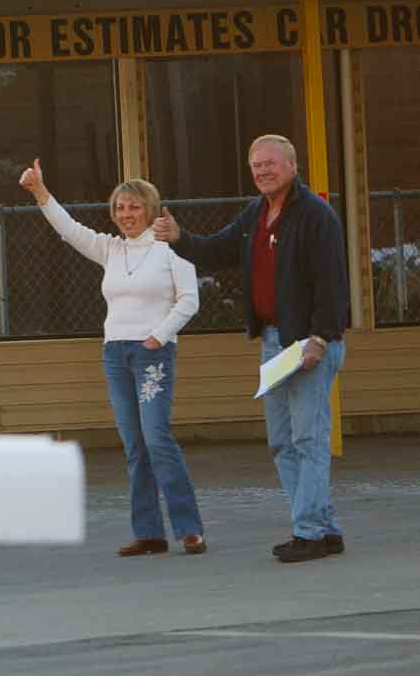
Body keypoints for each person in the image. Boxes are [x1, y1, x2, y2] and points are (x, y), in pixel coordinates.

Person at [153, 134, 348, 564]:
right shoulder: (256, 213)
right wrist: (178, 236)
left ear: (292, 165)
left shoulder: (317, 216)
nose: (262, 171)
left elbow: (334, 284)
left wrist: (320, 337)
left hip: (309, 343)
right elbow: (218, 250)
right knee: (283, 441)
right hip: (275, 342)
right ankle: (324, 527)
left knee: (308, 438)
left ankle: (310, 532)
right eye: (256, 165)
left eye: (270, 164)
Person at [21, 158, 206, 556]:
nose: (126, 214)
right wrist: (40, 192)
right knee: (134, 444)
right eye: (120, 207)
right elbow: (69, 231)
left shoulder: (172, 250)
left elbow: (190, 300)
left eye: (134, 206)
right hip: (115, 353)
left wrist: (158, 337)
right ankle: (149, 533)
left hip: (152, 353)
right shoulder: (111, 249)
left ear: (151, 210)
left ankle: (188, 528)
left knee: (157, 438)